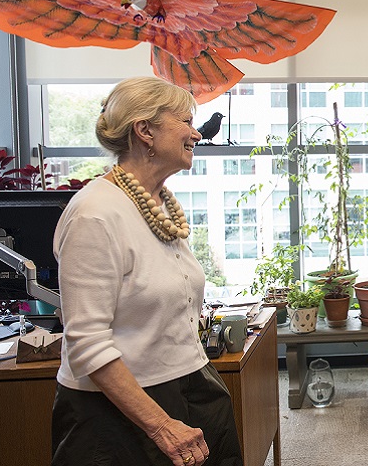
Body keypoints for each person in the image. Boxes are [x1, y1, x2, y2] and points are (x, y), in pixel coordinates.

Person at [52, 76, 242, 465]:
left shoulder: (159, 203)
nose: (197, 133)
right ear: (144, 131)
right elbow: (87, 342)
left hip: (192, 383)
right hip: (121, 411)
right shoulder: (94, 213)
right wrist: (159, 425)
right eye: (186, 122)